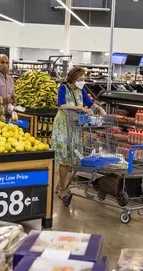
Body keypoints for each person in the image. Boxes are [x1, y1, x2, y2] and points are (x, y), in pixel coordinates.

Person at [52, 67, 106, 199]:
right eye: (81, 79)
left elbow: (90, 103)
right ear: (73, 79)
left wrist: (100, 109)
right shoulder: (63, 88)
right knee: (64, 159)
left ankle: (60, 184)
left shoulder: (82, 90)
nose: (83, 81)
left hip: (75, 125)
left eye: (84, 79)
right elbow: (61, 105)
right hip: (63, 126)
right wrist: (81, 108)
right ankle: (63, 189)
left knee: (72, 157)